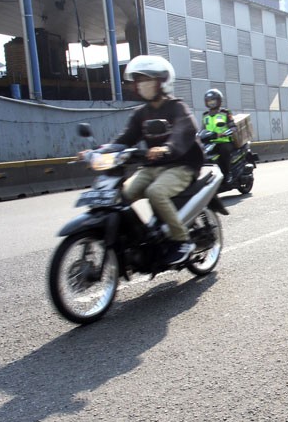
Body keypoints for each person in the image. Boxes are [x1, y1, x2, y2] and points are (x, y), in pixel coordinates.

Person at [82, 55, 203, 265]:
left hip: (181, 165)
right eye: (137, 80)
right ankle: (135, 240)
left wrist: (166, 148)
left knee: (155, 192)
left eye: (145, 79)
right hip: (153, 167)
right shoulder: (141, 113)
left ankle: (181, 239)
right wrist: (98, 152)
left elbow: (185, 130)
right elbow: (124, 138)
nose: (140, 85)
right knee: (121, 196)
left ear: (161, 82)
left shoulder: (177, 107)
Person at [202, 88, 237, 184]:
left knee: (223, 152)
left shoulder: (225, 113)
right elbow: (202, 129)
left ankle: (228, 174)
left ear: (219, 101)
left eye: (213, 100)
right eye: (209, 101)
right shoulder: (205, 116)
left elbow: (233, 127)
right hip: (211, 142)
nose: (211, 103)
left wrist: (226, 132)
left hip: (225, 141)